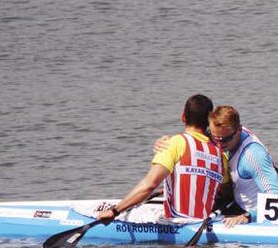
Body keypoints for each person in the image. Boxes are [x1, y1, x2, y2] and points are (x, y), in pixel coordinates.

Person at [96, 94, 225, 222]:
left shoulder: (174, 143)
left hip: (178, 224)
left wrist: (115, 211)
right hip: (205, 221)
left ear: (183, 117)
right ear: (209, 121)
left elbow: (149, 185)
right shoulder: (219, 153)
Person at [206, 105, 278, 228]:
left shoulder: (253, 155)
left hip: (254, 213)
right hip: (234, 201)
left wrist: (247, 217)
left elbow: (277, 197)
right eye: (216, 138)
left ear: (239, 130)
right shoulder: (223, 130)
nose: (220, 145)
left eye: (225, 140)